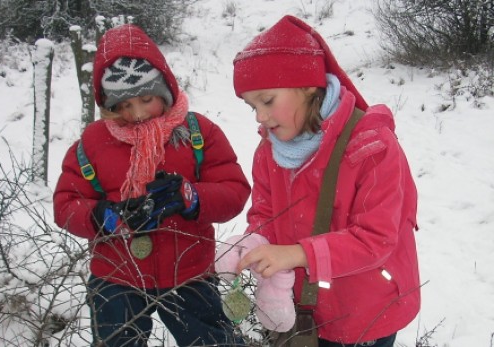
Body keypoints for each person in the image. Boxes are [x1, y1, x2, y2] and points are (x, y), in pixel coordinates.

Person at [217, 15, 420, 347]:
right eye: (251, 106)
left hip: (368, 314)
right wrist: (254, 242)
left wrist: (296, 254)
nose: (260, 116)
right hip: (306, 311)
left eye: (267, 101)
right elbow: (267, 214)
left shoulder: (371, 148)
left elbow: (375, 239)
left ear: (308, 85)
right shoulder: (269, 151)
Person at [53, 24, 250, 347]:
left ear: (165, 90)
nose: (138, 114)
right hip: (117, 276)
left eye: (146, 99)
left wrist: (191, 197)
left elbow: (234, 191)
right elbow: (65, 203)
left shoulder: (198, 132)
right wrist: (103, 216)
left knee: (214, 342)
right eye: (123, 106)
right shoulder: (92, 143)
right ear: (108, 106)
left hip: (189, 271)